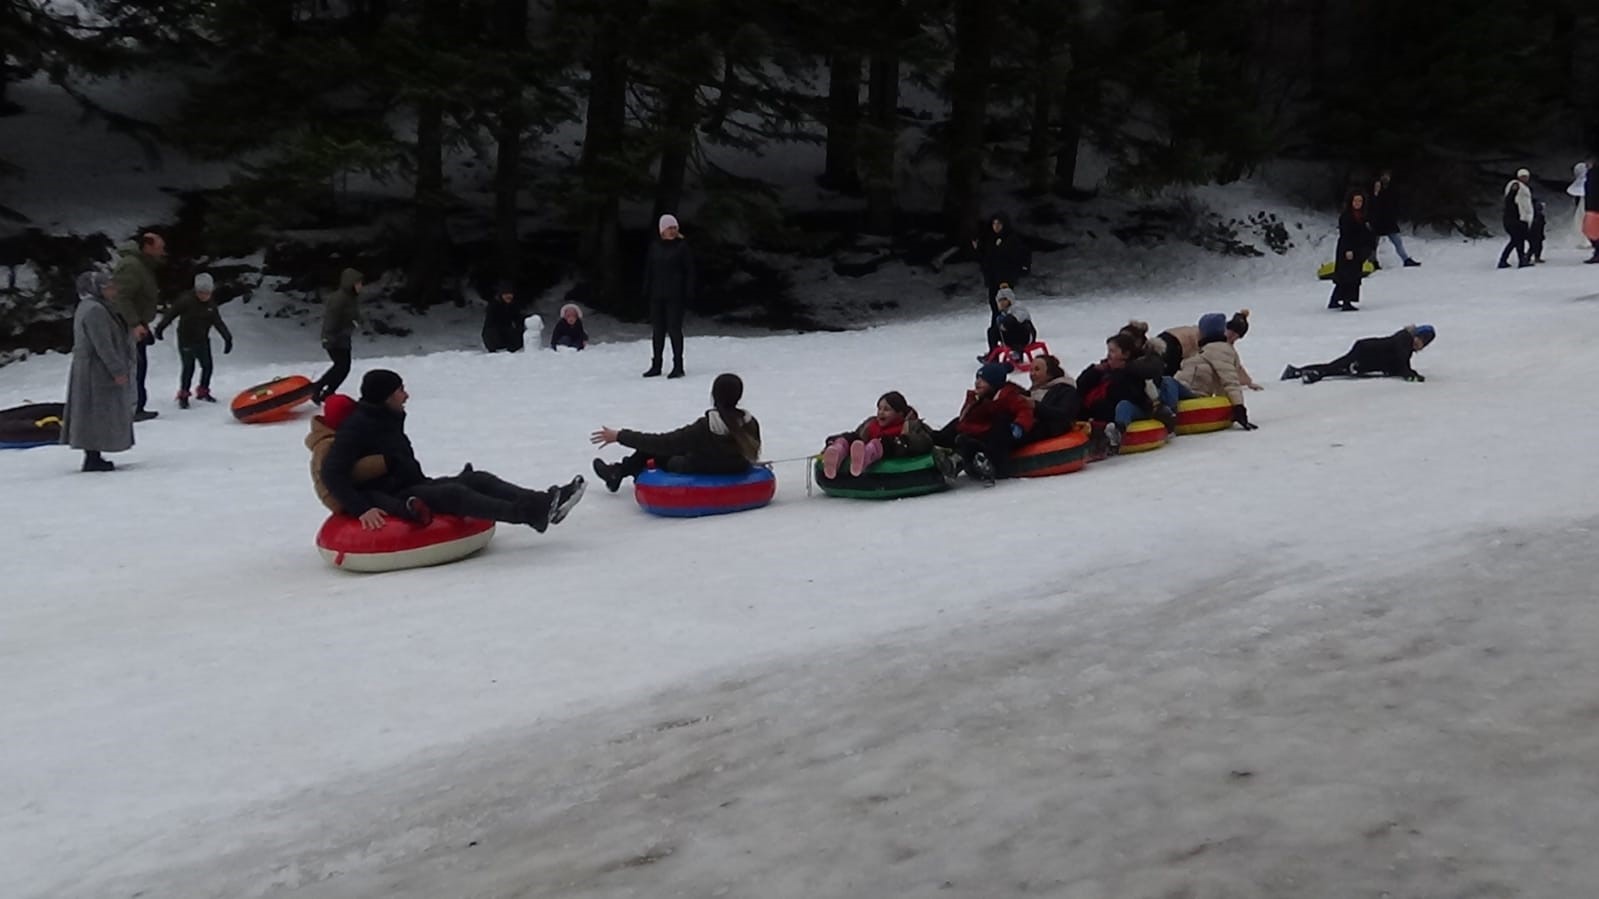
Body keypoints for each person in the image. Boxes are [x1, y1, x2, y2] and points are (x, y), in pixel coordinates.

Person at [321, 369, 586, 531]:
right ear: (386, 396)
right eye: (400, 390)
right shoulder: (357, 428)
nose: (406, 395)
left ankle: (548, 502)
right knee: (455, 493)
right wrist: (361, 509)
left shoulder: (382, 417)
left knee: (477, 479)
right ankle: (530, 513)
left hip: (412, 483)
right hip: (396, 496)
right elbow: (331, 473)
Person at [591, 372, 761, 491]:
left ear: (714, 395)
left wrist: (619, 436)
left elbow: (663, 443)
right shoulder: (750, 423)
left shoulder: (705, 427)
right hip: (734, 467)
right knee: (680, 446)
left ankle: (619, 471)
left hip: (698, 467)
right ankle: (619, 471)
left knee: (654, 450)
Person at [61, 271, 136, 472]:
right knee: (96, 411)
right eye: (108, 287)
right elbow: (103, 344)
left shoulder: (93, 307)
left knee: (92, 411)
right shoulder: (95, 310)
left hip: (92, 368)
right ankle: (92, 456)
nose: (114, 290)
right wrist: (117, 369)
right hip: (95, 371)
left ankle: (94, 454)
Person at [305, 393, 411, 519]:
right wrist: (384, 462)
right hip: (339, 498)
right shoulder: (328, 445)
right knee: (374, 496)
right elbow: (339, 474)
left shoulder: (340, 438)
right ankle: (407, 509)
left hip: (347, 490)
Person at [931, 362, 1034, 485]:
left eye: (983, 380)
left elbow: (1024, 410)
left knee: (975, 438)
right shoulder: (977, 398)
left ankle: (971, 462)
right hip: (974, 430)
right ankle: (934, 441)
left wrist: (1019, 425)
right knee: (956, 425)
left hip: (988, 434)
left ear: (994, 382)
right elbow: (965, 418)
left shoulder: (1007, 396)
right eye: (977, 379)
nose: (977, 382)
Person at [109, 231, 166, 422]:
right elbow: (122, 297)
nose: (162, 252)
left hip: (137, 324)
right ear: (147, 247)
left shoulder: (143, 265)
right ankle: (130, 408)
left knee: (139, 366)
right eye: (159, 248)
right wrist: (133, 323)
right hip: (126, 326)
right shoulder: (132, 266)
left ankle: (136, 405)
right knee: (133, 366)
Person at [154, 273, 232, 409]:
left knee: (207, 366)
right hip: (186, 339)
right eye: (201, 293)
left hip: (202, 339)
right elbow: (170, 315)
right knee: (188, 367)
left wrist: (227, 338)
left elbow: (218, 322)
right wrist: (160, 329)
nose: (204, 296)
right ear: (196, 290)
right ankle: (183, 395)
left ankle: (203, 391)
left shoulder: (211, 305)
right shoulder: (185, 301)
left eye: (207, 293)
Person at [1176, 308, 1261, 430]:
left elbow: (1230, 380)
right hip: (1188, 393)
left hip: (1190, 396)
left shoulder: (1218, 350)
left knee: (1167, 383)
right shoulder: (1209, 349)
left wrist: (1238, 407)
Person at [819, 390, 936, 478]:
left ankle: (866, 455)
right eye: (879, 408)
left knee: (882, 442)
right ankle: (837, 451)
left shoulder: (910, 425)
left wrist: (904, 441)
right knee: (851, 438)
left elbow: (925, 441)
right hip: (865, 446)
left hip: (891, 449)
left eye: (887, 409)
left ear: (900, 413)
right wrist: (836, 441)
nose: (881, 413)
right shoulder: (871, 423)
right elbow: (857, 435)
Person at [1075, 333, 1156, 455]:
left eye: (1113, 351)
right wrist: (1094, 371)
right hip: (1108, 409)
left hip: (1133, 408)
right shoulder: (1104, 370)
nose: (1108, 355)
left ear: (1126, 354)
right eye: (1108, 351)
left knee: (1122, 406)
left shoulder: (1133, 370)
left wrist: (1117, 373)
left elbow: (1131, 395)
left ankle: (1117, 434)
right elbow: (1081, 385)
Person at [1281, 325, 1436, 384]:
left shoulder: (1406, 343)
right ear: (1415, 335)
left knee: (1337, 367)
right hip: (1366, 352)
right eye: (1420, 339)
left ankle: (1300, 372)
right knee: (1338, 367)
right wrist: (1410, 375)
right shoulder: (1404, 339)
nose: (1420, 343)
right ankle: (1302, 373)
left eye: (1423, 343)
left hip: (1368, 357)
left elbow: (1397, 364)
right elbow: (1402, 362)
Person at [641, 213, 695, 378]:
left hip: (675, 295)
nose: (671, 231)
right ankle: (656, 364)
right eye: (668, 228)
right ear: (662, 230)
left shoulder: (682, 247)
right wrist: (646, 289)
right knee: (658, 331)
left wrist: (689, 290)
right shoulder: (655, 247)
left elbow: (690, 270)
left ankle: (678, 365)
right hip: (657, 294)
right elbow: (649, 269)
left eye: (674, 228)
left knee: (674, 330)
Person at [313, 268, 364, 404]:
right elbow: (331, 319)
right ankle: (318, 388)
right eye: (358, 283)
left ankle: (327, 391)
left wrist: (355, 322)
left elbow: (352, 315)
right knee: (341, 366)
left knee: (343, 367)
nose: (361, 286)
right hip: (335, 338)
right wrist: (329, 337)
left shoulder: (351, 298)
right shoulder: (339, 298)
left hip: (343, 338)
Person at [972, 213, 1031, 317]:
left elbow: (1022, 254)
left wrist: (1022, 268)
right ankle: (997, 327)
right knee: (994, 304)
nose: (996, 226)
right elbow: (986, 258)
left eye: (999, 223)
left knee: (1005, 304)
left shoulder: (1011, 239)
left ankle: (1006, 326)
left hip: (1006, 277)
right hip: (992, 278)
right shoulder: (989, 239)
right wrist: (978, 249)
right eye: (994, 223)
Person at [1369, 171, 1420, 268]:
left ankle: (1406, 259)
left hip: (1389, 221)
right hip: (1377, 221)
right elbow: (1371, 205)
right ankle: (1373, 262)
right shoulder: (1374, 189)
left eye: (1387, 176)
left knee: (1397, 242)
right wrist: (1375, 194)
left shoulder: (1392, 189)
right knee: (1373, 244)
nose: (1386, 178)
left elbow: (1394, 204)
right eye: (1384, 175)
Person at [1024, 354, 1079, 441]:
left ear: (1049, 374)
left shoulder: (1065, 390)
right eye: (1031, 370)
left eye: (1037, 370)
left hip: (1048, 430)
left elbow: (1063, 414)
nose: (1032, 374)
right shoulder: (1032, 392)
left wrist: (1036, 406)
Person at [980, 287, 1037, 363]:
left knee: (1011, 322)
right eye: (1000, 301)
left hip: (1025, 337)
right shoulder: (1004, 312)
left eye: (1004, 299)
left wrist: (1005, 322)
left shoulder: (1017, 307)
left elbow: (1018, 318)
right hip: (1012, 338)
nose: (1002, 302)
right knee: (992, 331)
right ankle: (993, 355)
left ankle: (1017, 353)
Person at [1499, 169, 1534, 269]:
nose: (1525, 178)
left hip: (1520, 218)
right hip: (1515, 218)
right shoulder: (1516, 186)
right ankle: (1508, 260)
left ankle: (1518, 260)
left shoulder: (1524, 188)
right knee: (1517, 240)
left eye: (1526, 176)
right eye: (1522, 176)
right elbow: (1511, 200)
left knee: (1517, 240)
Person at [481, 281, 528, 352]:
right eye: (506, 294)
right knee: (492, 333)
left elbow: (518, 319)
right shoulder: (494, 305)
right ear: (501, 295)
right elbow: (490, 323)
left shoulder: (514, 305)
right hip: (494, 333)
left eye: (510, 294)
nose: (509, 296)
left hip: (507, 332)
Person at [1529, 196, 1548, 264]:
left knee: (1536, 245)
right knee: (1535, 245)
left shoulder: (1536, 214)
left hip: (1537, 232)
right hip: (1536, 232)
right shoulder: (1537, 215)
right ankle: (1530, 257)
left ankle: (1534, 257)